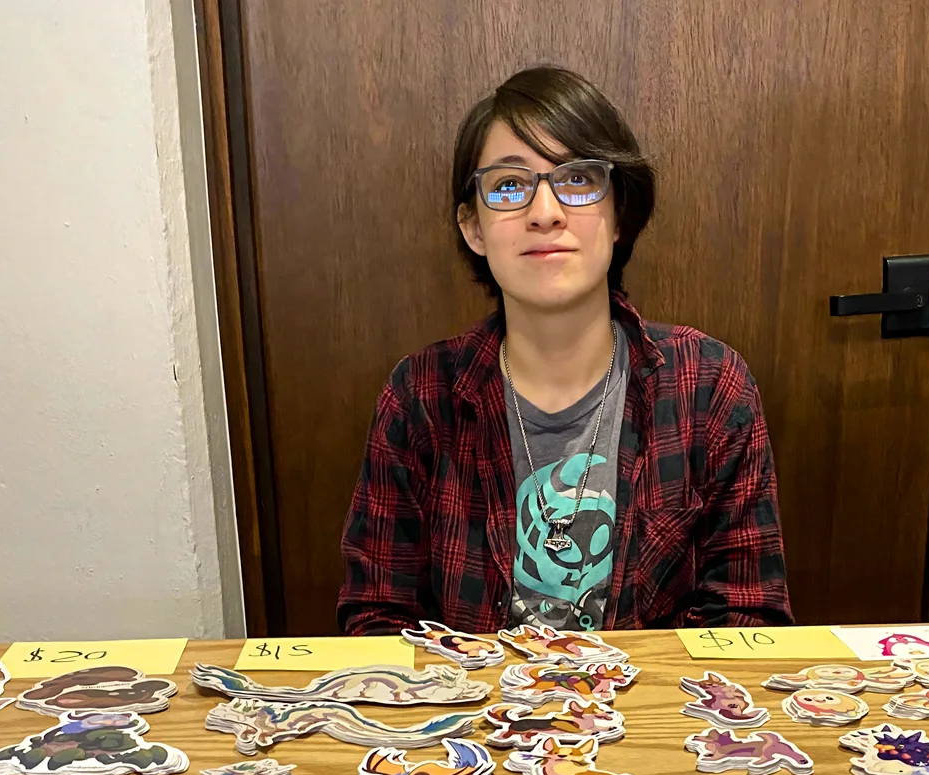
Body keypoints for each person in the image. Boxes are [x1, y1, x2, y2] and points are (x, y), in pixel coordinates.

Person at [338, 65, 791, 634]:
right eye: (509, 185)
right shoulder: (420, 397)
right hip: (469, 696)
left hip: (654, 695)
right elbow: (376, 618)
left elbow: (749, 620)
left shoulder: (708, 386)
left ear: (620, 214)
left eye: (577, 179)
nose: (545, 212)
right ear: (473, 228)